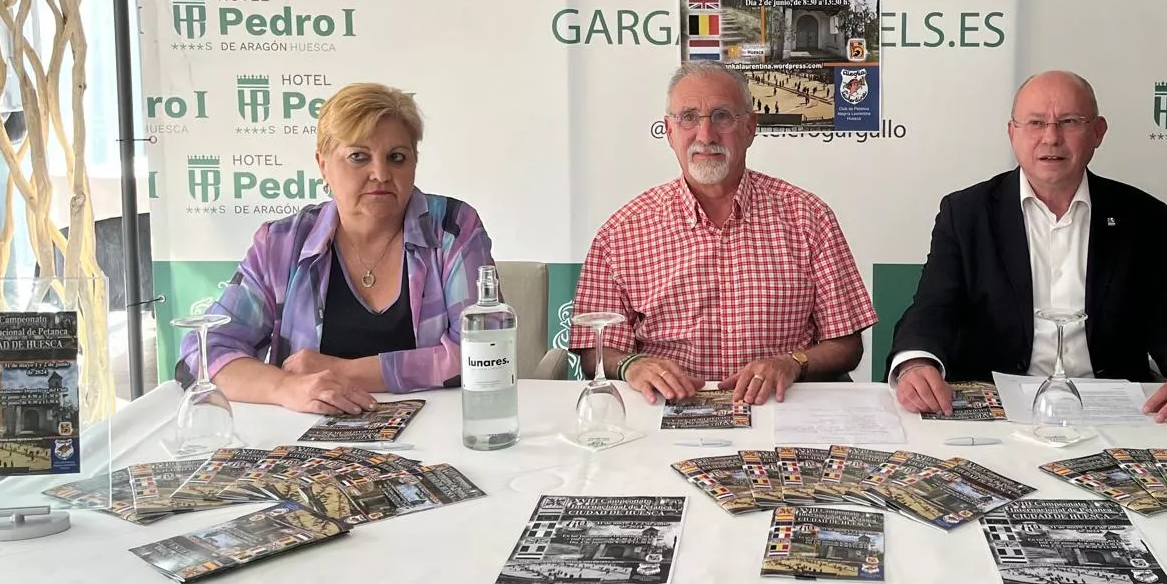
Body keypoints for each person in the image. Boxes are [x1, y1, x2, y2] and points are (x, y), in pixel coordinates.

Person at [889, 70, 1167, 426]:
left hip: (1111, 410)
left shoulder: (1141, 216)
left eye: (1069, 122)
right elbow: (933, 308)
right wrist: (917, 364)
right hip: (999, 409)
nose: (1051, 138)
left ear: (1098, 132)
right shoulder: (966, 213)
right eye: (1036, 123)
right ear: (1013, 133)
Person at [176, 83, 495, 415]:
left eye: (396, 157)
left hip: (441, 429)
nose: (381, 174)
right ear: (323, 164)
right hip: (308, 442)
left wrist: (343, 371)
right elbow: (202, 353)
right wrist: (287, 387)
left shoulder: (452, 228)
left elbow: (483, 350)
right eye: (359, 156)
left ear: (414, 162)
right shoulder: (282, 243)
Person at [571, 61, 876, 405]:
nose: (705, 135)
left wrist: (792, 363)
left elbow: (847, 346)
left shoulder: (808, 217)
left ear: (749, 128)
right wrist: (632, 365)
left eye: (722, 116)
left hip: (781, 407)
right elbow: (595, 350)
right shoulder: (621, 232)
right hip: (665, 410)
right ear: (669, 132)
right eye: (688, 117)